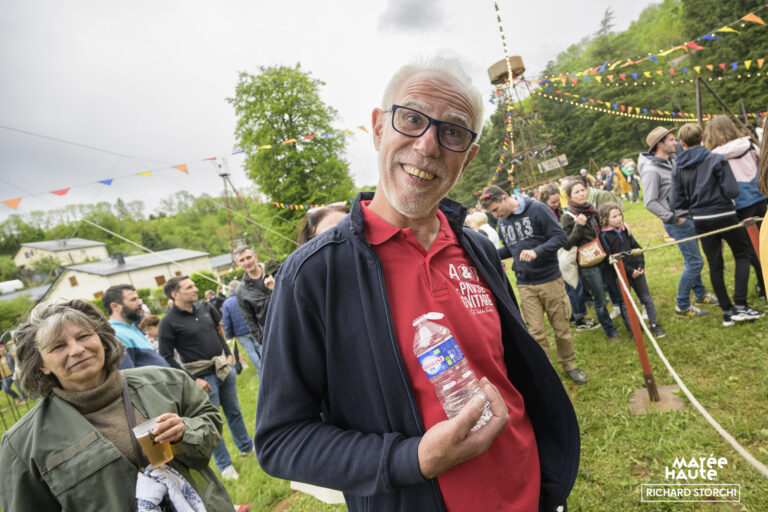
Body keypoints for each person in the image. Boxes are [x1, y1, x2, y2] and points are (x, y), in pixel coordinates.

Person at [254, 57, 579, 511]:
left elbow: (511, 371)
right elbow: (280, 440)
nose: (427, 145)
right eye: (411, 119)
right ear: (378, 127)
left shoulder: (477, 248)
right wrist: (413, 459)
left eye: (453, 132)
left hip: (531, 492)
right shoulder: (312, 274)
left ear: (468, 157)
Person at [0, 299, 233, 511]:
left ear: (102, 339)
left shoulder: (167, 382)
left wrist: (185, 432)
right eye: (58, 346)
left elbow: (210, 425)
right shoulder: (22, 446)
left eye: (84, 336)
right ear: (41, 364)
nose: (77, 350)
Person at [480, 185, 588, 384]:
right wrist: (486, 253)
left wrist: (537, 251)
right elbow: (511, 249)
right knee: (536, 333)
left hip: (550, 280)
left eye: (496, 210)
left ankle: (569, 365)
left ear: (504, 198)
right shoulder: (502, 222)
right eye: (492, 213)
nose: (495, 215)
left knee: (561, 328)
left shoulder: (537, 209)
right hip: (525, 284)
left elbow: (560, 237)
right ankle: (546, 373)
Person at [158, 276, 253, 480]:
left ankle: (247, 447)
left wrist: (228, 353)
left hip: (223, 368)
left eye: (193, 285)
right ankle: (225, 466)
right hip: (202, 379)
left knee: (234, 411)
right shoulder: (168, 322)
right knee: (211, 423)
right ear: (175, 294)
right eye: (189, 287)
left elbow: (218, 332)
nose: (195, 289)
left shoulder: (205, 307)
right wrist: (192, 380)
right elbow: (166, 356)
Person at [671, 123, 764, 326]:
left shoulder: (678, 166)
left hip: (701, 220)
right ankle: (740, 306)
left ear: (682, 143)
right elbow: (731, 191)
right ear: (703, 137)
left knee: (715, 264)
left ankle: (727, 312)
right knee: (743, 254)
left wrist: (695, 205)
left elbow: (676, 202)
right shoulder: (716, 159)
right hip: (724, 214)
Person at [639, 126, 717, 317]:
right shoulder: (651, 170)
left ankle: (700, 294)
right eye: (672, 139)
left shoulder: (673, 161)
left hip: (688, 217)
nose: (676, 142)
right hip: (678, 222)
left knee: (693, 259)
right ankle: (682, 305)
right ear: (660, 144)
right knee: (695, 262)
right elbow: (650, 202)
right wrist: (674, 218)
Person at [704, 114, 766, 298]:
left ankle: (763, 284)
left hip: (740, 203)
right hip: (760, 196)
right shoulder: (748, 144)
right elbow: (762, 163)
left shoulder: (713, 156)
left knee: (752, 247)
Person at [561, 178, 620, 342]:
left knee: (617, 290)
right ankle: (611, 332)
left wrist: (621, 226)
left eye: (582, 190)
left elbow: (605, 229)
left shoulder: (592, 210)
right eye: (576, 192)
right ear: (569, 197)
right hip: (589, 264)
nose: (581, 194)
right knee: (600, 299)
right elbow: (566, 244)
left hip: (605, 257)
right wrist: (579, 226)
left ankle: (630, 323)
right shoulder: (567, 217)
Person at [598, 204, 665, 338]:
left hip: (638, 271)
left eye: (620, 215)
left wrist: (640, 265)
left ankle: (654, 324)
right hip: (621, 275)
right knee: (626, 303)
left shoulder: (625, 230)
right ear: (605, 219)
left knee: (646, 298)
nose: (619, 218)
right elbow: (610, 258)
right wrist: (629, 271)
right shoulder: (604, 236)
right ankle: (634, 329)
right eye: (614, 216)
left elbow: (637, 248)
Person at [103, 284, 168, 369]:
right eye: (133, 300)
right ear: (115, 306)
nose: (140, 303)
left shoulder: (129, 328)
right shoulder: (117, 335)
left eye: (138, 298)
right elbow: (128, 374)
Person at [233, 246, 274, 356]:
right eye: (242, 260)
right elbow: (249, 319)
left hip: (292, 323)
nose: (246, 262)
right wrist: (262, 339)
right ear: (238, 264)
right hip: (271, 335)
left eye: (248, 257)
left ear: (256, 256)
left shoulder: (274, 272)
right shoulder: (241, 291)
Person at [221, 279, 261, 373]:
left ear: (230, 290)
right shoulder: (247, 296)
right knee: (259, 346)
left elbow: (226, 321)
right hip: (252, 327)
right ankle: (268, 366)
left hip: (241, 332)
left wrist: (229, 335)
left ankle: (261, 371)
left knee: (251, 351)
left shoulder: (227, 303)